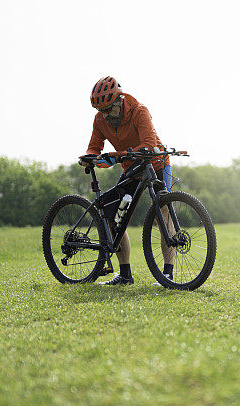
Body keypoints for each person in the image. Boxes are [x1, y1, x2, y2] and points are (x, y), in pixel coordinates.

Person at [79, 76, 175, 286]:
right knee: (114, 219)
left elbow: (149, 144)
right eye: (101, 111)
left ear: (119, 100)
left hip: (157, 165)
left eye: (108, 110)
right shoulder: (100, 119)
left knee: (163, 216)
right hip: (132, 169)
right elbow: (95, 146)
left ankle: (167, 275)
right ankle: (124, 275)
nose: (105, 115)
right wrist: (90, 157)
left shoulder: (139, 111)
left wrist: (117, 155)